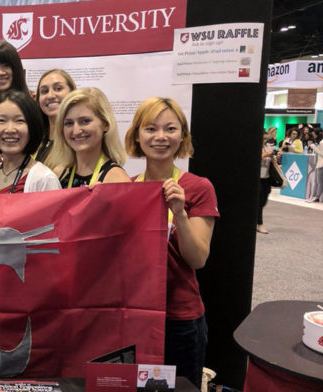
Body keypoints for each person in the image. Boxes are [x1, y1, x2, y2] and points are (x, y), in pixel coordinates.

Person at [124, 97, 218, 388]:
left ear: (183, 137)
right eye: (151, 129)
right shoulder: (126, 188)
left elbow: (197, 259)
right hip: (135, 315)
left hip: (180, 319)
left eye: (170, 129)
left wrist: (179, 212)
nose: (161, 137)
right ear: (137, 136)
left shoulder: (198, 187)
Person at [44, 87, 129, 188]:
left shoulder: (117, 180)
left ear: (105, 124)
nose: (76, 131)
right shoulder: (58, 174)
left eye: (85, 121)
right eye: (69, 123)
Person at [0, 90, 60, 193]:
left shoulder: (44, 179)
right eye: (1, 120)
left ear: (33, 126)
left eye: (19, 121)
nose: (9, 129)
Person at [34, 69, 76, 162]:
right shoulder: (35, 141)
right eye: (44, 91)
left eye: (58, 88)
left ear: (72, 93)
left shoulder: (78, 140)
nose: (50, 95)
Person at [258, 132, 276, 234]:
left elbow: (272, 160)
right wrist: (266, 154)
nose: (264, 141)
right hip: (257, 178)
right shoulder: (255, 146)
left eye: (266, 139)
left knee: (263, 201)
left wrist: (273, 156)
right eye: (263, 139)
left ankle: (257, 222)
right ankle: (260, 224)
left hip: (266, 177)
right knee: (259, 203)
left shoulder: (268, 146)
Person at [306, 128, 323, 202]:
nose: (313, 136)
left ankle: (317, 197)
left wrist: (312, 146)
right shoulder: (322, 141)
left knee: (319, 182)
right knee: (317, 181)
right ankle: (315, 196)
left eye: (314, 134)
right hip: (321, 163)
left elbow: (322, 154)